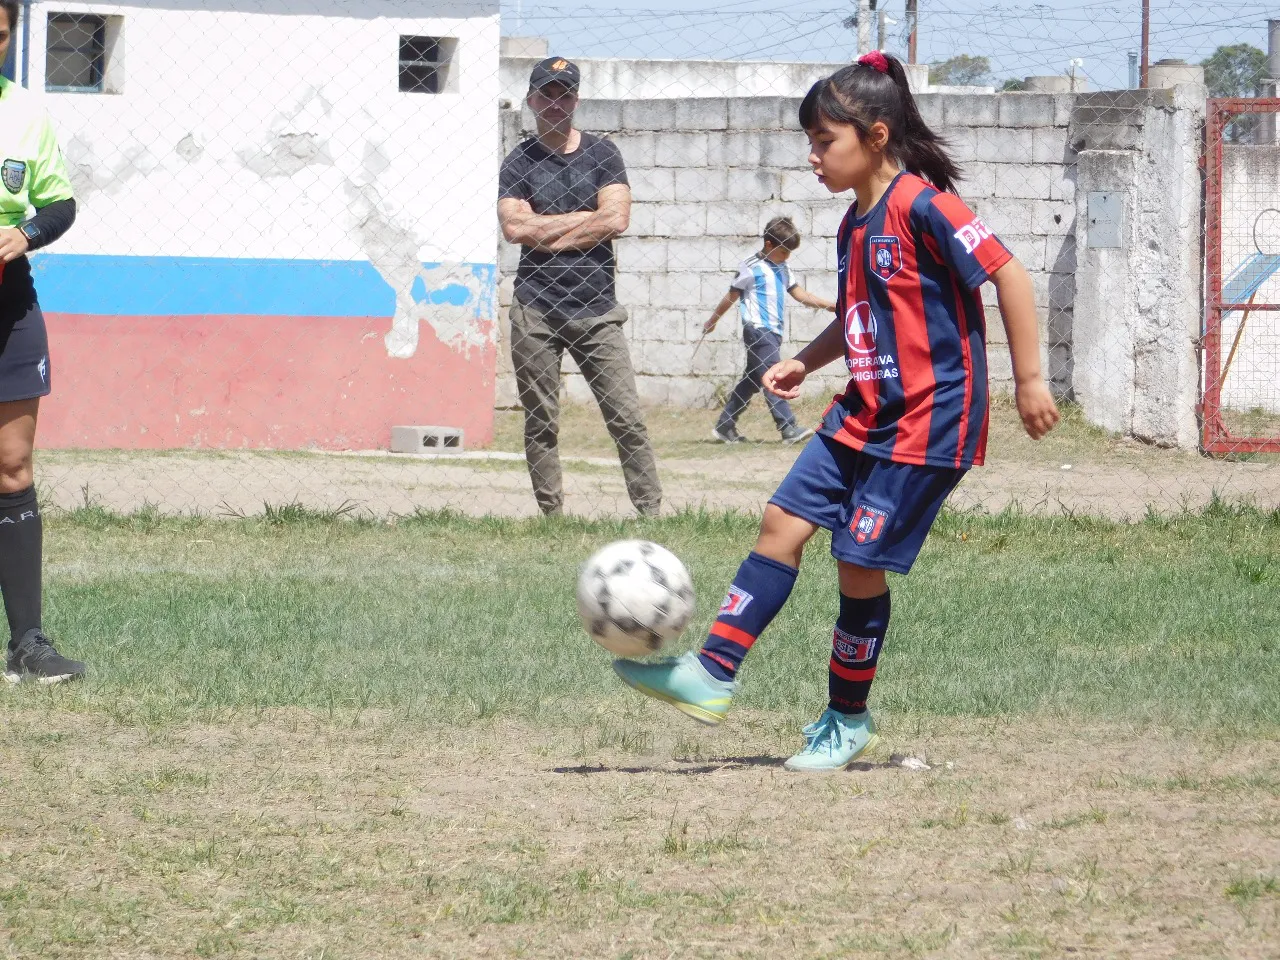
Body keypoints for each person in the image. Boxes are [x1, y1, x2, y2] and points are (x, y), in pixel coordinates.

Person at [613, 51, 1060, 771]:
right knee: (781, 523)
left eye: (825, 141)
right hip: (864, 409)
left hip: (929, 418)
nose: (814, 156)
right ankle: (711, 675)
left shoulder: (924, 204)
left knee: (856, 561)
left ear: (875, 136)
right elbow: (859, 313)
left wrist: (1031, 378)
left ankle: (846, 720)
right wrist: (804, 361)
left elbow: (1007, 271)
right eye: (812, 142)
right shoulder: (856, 224)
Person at [497, 57, 661, 517]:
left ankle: (651, 512)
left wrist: (545, 229)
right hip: (535, 309)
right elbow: (514, 229)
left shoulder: (603, 154)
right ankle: (552, 516)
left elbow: (617, 219)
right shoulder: (518, 161)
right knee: (541, 420)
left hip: (597, 309)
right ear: (531, 100)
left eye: (564, 93)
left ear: (576, 99)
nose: (555, 102)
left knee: (626, 418)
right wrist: (586, 223)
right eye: (546, 93)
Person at [0, 0, 86, 684]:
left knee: (12, 465)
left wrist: (24, 234)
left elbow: (59, 202)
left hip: (9, 298)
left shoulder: (26, 110)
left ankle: (28, 643)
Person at [704, 215, 836, 445]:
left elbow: (801, 295)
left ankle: (725, 426)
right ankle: (788, 427)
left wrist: (831, 305)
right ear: (769, 244)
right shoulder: (751, 267)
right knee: (774, 376)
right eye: (784, 251)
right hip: (757, 331)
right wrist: (713, 320)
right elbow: (731, 297)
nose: (787, 257)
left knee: (752, 381)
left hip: (773, 332)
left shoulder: (783, 269)